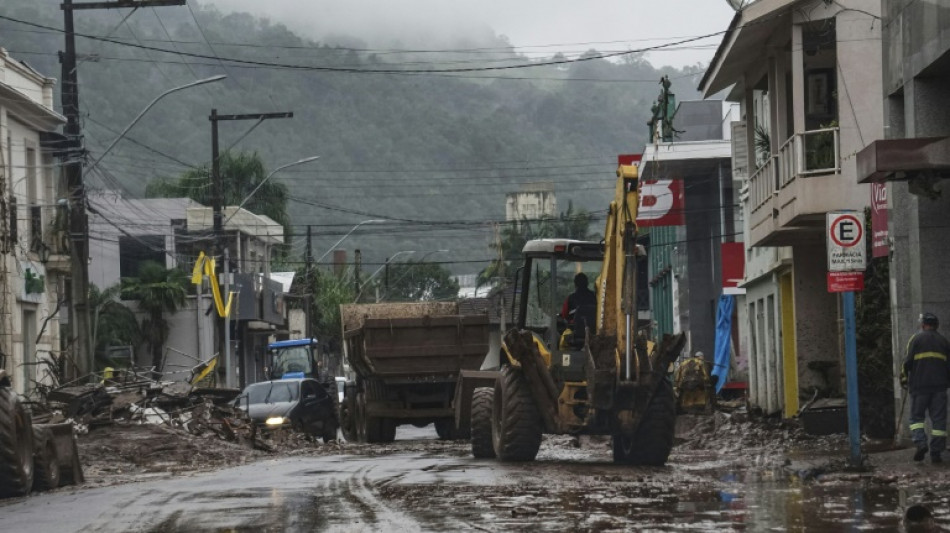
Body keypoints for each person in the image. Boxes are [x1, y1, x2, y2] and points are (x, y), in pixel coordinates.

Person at [902, 312, 950, 463]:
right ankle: (936, 452)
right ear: (936, 325)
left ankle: (921, 443)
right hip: (939, 387)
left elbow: (907, 362)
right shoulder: (944, 341)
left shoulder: (915, 339)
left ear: (923, 325)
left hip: (919, 386)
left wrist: (903, 380)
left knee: (916, 418)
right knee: (938, 421)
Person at [560, 273, 596, 343]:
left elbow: (564, 315)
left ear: (575, 284)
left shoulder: (570, 298)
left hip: (575, 333)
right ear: (587, 283)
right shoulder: (595, 297)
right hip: (594, 332)